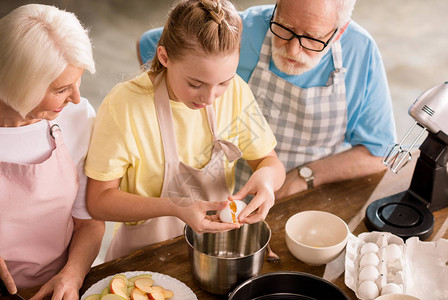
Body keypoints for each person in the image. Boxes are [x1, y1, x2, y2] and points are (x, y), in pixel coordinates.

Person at [85, 0, 285, 261]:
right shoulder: (124, 106)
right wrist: (175, 207)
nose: (211, 98)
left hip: (214, 252)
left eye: (223, 82)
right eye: (195, 83)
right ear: (164, 57)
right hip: (143, 256)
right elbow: (99, 202)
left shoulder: (235, 92)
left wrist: (268, 182)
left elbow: (269, 161)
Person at [138, 0, 397, 199]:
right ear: (276, 8)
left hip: (301, 196)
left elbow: (379, 152)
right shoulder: (242, 28)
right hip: (220, 192)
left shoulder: (361, 52)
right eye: (284, 28)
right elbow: (151, 45)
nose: (294, 49)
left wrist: (303, 177)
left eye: (311, 39)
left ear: (339, 33)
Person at [0, 4, 105, 299]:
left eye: (78, 82)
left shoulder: (76, 117)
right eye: (61, 89)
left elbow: (89, 221)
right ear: (20, 85)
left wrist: (71, 275)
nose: (76, 98)